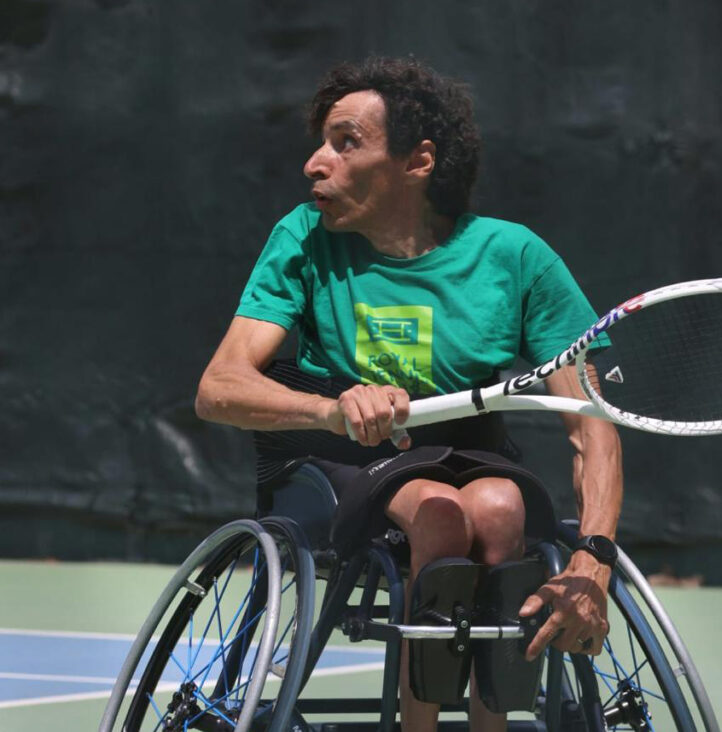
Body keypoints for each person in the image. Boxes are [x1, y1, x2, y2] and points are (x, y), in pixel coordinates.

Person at [195, 56, 622, 732]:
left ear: (417, 162)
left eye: (346, 143)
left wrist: (594, 560)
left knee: (501, 507)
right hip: (340, 459)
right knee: (439, 514)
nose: (314, 164)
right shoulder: (302, 238)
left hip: (470, 453)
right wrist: (331, 409)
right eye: (321, 142)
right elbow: (220, 388)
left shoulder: (516, 257)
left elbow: (590, 424)